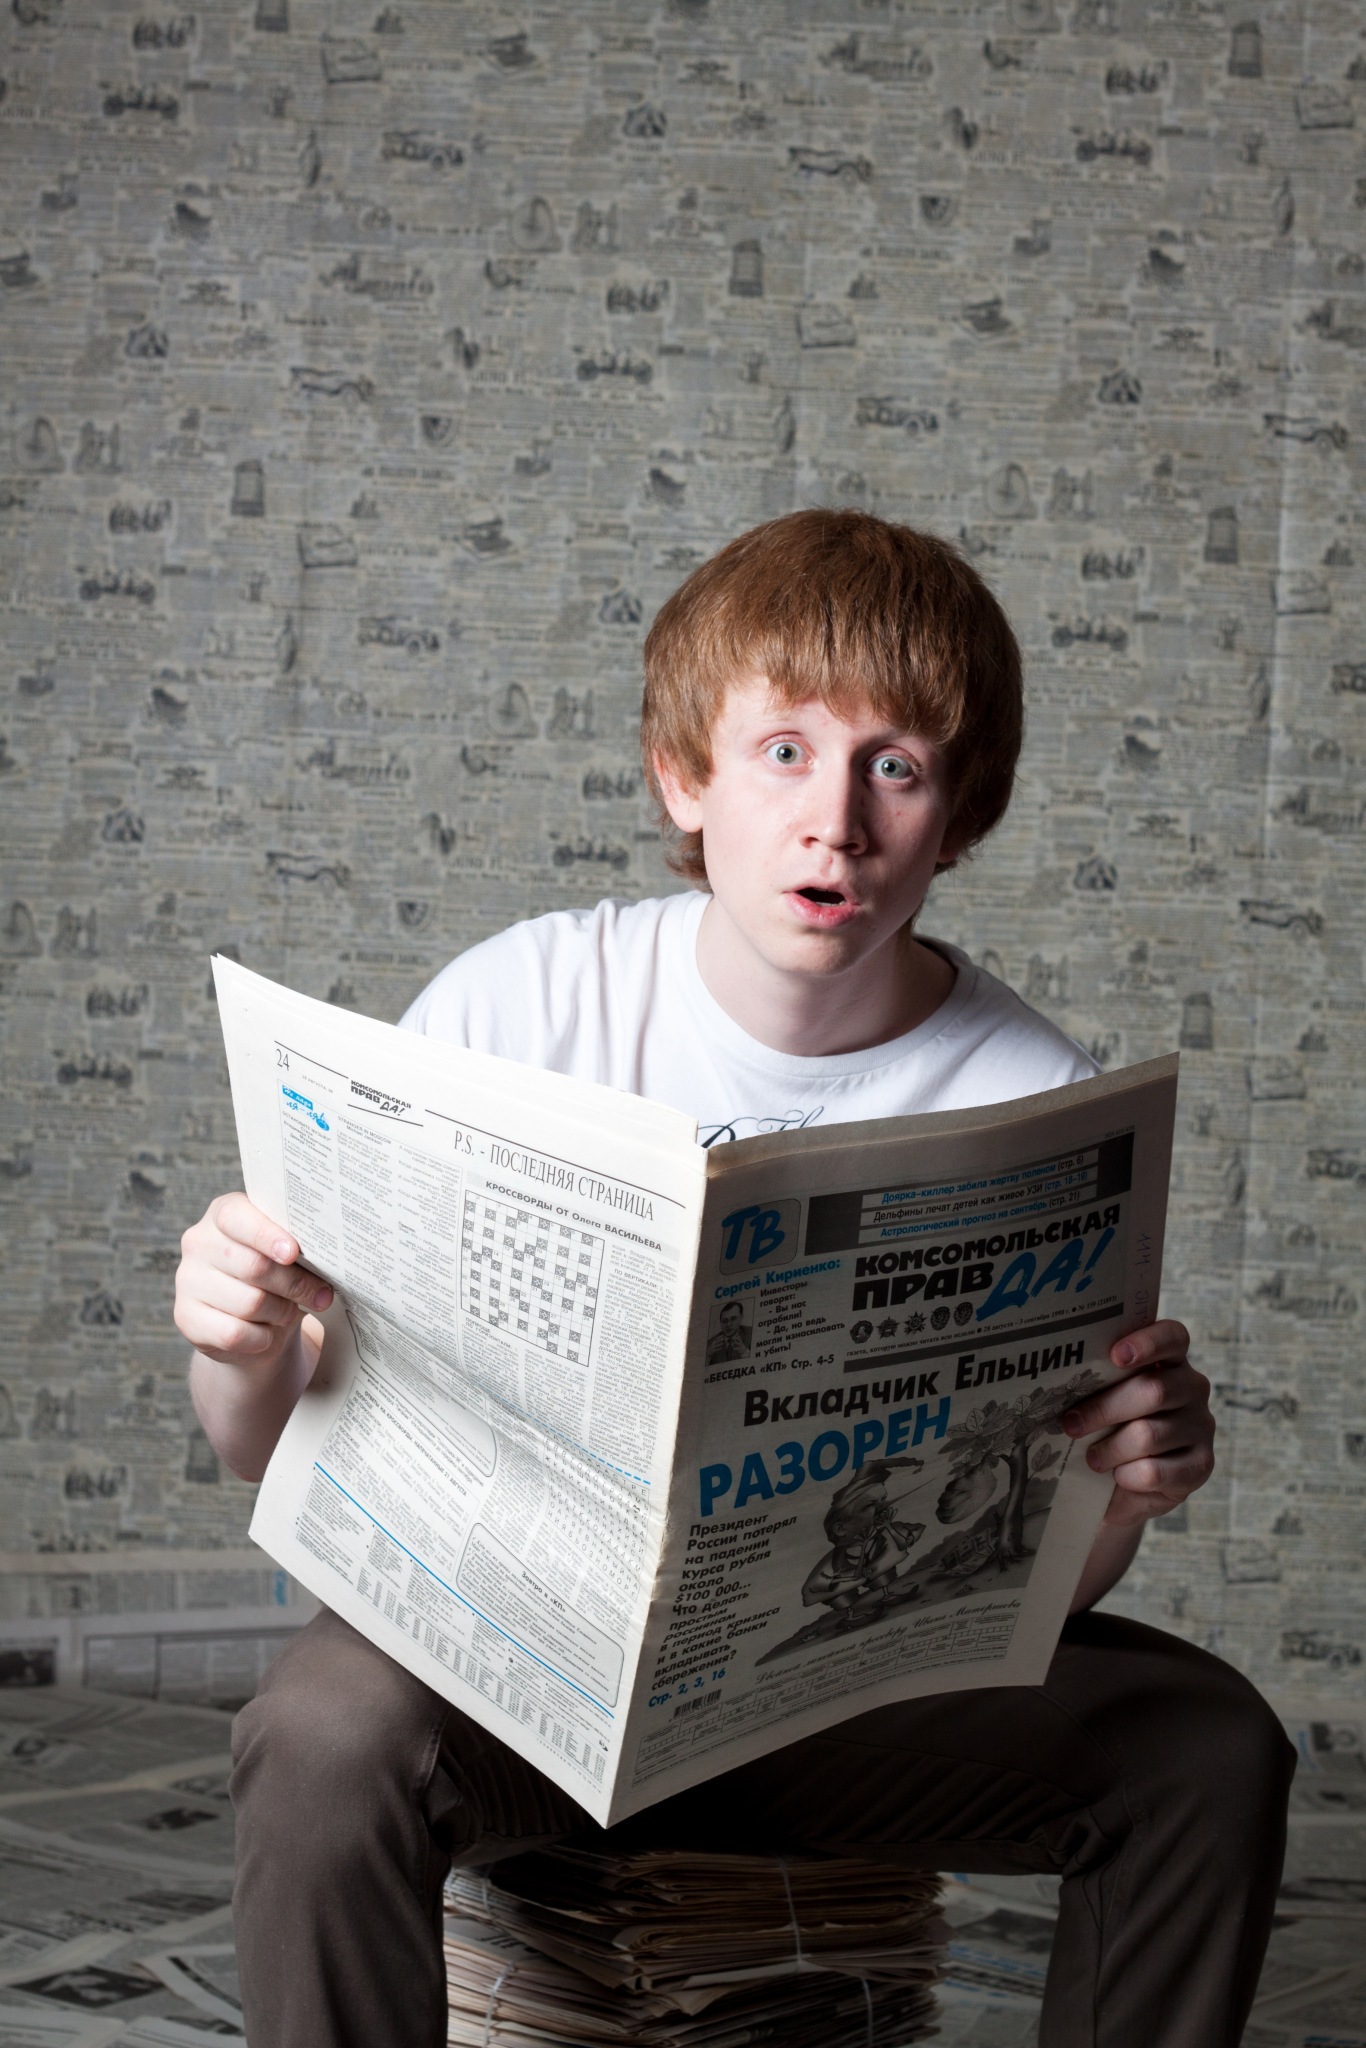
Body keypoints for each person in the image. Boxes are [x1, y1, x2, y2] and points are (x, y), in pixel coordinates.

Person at [175, 512, 1294, 2048]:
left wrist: (1125, 1488)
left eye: (894, 766)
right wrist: (238, 1344)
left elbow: (1030, 1591)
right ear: (682, 778)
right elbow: (278, 1455)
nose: (833, 821)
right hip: (514, 1691)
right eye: (783, 751)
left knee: (1208, 1749)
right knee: (318, 1733)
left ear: (959, 813)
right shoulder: (517, 1004)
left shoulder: (1031, 1095)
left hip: (829, 1701)